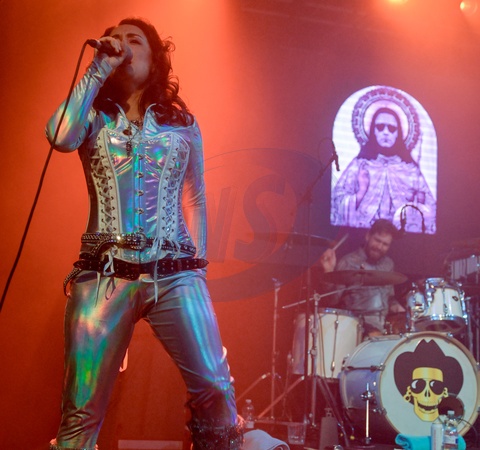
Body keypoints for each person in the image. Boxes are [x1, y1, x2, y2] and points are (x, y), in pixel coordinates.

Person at [46, 18, 243, 450]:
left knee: (215, 388)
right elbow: (59, 137)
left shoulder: (181, 122)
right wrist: (96, 70)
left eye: (133, 40)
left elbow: (195, 198)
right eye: (115, 39)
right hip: (102, 275)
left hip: (175, 273)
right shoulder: (92, 116)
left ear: (154, 61)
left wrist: (198, 271)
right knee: (81, 410)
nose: (122, 45)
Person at [331, 107, 436, 233]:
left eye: (392, 128)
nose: (386, 132)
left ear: (398, 133)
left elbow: (430, 209)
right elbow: (336, 202)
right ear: (373, 131)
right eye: (380, 127)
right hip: (362, 235)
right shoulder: (360, 165)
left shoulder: (411, 170)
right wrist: (361, 193)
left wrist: (416, 208)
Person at [319, 219, 405, 337]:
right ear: (368, 236)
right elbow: (332, 301)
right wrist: (328, 271)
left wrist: (401, 311)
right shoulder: (348, 262)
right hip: (355, 327)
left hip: (383, 326)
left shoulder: (388, 264)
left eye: (385, 244)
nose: (379, 247)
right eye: (377, 240)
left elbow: (389, 298)